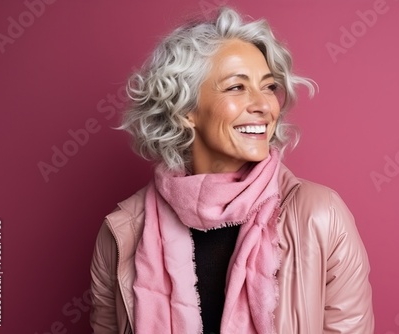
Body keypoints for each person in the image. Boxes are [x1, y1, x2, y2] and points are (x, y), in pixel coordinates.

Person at [90, 7, 374, 334]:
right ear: (185, 109)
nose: (265, 106)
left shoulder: (319, 216)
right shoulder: (121, 233)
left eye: (268, 87)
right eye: (237, 87)